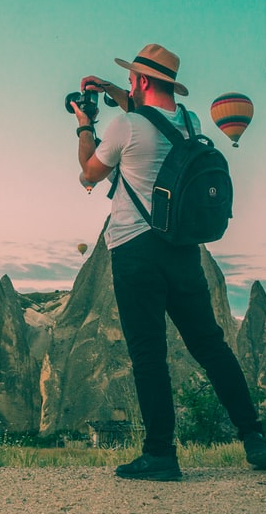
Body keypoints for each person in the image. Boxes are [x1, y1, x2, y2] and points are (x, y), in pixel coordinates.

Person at [72, 43, 266, 481]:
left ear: (140, 81)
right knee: (211, 346)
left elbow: (88, 172)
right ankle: (255, 437)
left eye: (129, 81)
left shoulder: (123, 127)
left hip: (135, 251)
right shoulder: (191, 123)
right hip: (183, 250)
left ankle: (160, 454)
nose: (126, 87)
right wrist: (108, 89)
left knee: (148, 354)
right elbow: (152, 115)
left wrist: (84, 125)